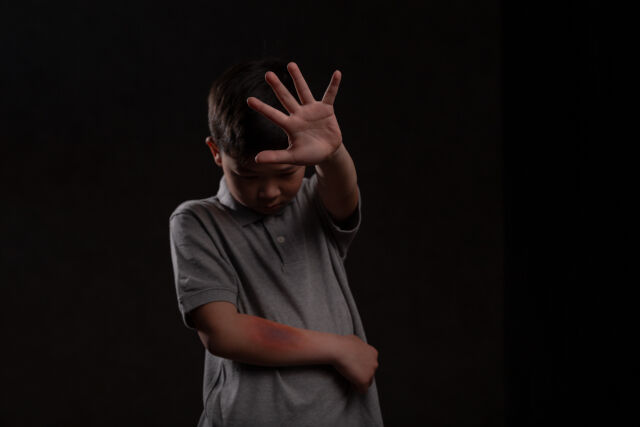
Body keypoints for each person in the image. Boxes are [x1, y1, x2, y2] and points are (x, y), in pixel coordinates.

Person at [169, 58, 384, 426]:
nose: (269, 192)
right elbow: (222, 332)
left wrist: (332, 152)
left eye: (286, 173)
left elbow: (343, 189)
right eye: (249, 176)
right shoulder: (198, 222)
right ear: (216, 152)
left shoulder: (315, 202)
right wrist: (337, 348)